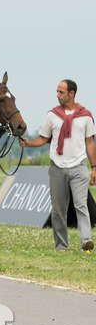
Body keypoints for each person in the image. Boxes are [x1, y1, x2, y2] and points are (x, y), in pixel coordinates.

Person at [19, 79, 96, 251]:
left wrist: (94, 167)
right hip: (57, 167)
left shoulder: (86, 116)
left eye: (61, 92)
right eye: (57, 91)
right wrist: (29, 143)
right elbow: (44, 138)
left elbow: (90, 142)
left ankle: (86, 241)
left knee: (81, 205)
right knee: (58, 209)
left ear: (72, 94)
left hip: (79, 167)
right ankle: (61, 245)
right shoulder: (52, 115)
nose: (57, 95)